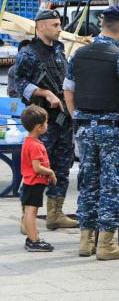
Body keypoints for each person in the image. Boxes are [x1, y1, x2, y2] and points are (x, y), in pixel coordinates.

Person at [63, 6, 119, 260]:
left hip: (84, 129)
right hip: (112, 131)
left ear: (103, 25)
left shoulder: (78, 54)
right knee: (112, 186)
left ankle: (85, 241)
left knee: (89, 183)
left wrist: (76, 116)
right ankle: (106, 245)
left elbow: (68, 90)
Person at [14, 9, 78, 230]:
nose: (59, 29)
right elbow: (17, 84)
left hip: (63, 120)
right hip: (42, 123)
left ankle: (55, 213)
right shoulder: (29, 53)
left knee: (61, 167)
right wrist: (44, 93)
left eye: (59, 24)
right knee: (37, 170)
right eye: (55, 25)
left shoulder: (60, 50)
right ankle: (28, 216)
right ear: (40, 27)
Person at [20, 105, 57, 252]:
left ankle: (32, 237)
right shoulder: (35, 146)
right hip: (34, 182)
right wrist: (50, 172)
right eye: (46, 123)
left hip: (29, 182)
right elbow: (37, 168)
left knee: (30, 211)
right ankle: (33, 240)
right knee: (32, 212)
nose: (47, 125)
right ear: (39, 127)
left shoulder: (28, 141)